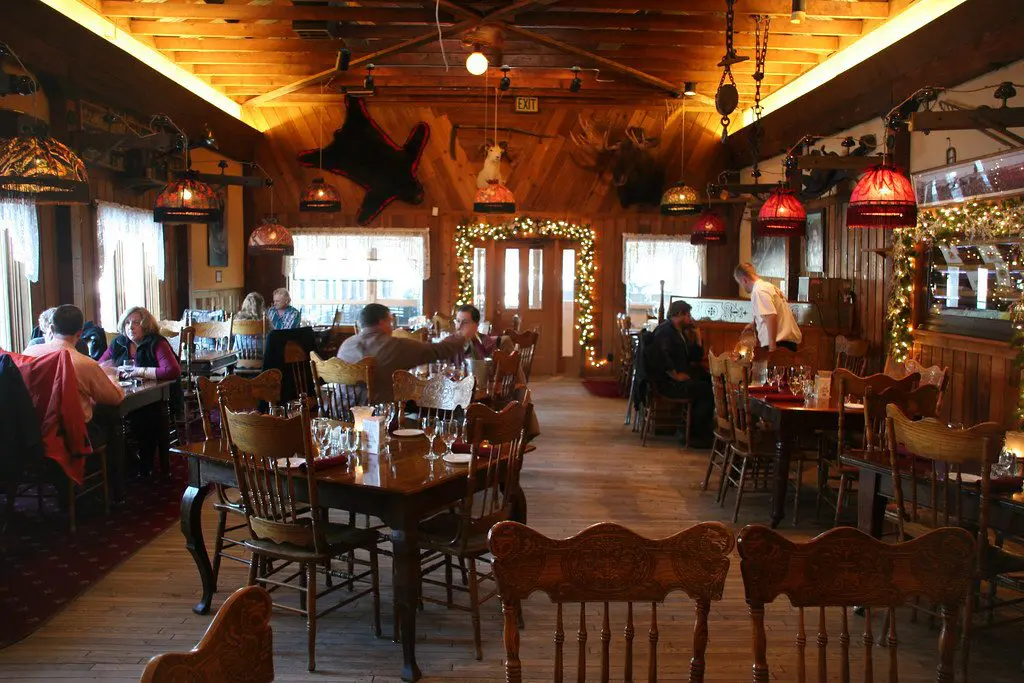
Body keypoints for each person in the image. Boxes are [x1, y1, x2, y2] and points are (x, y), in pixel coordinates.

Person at [21, 305, 128, 500]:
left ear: (51, 328)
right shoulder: (84, 363)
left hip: (31, 431)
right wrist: (111, 377)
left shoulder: (29, 352)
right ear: (80, 333)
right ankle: (114, 490)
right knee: (113, 421)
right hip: (72, 434)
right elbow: (115, 397)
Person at [99, 306, 181, 477]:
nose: (130, 327)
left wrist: (139, 371)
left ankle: (145, 463)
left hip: (157, 397)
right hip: (125, 394)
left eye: (136, 323)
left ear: (146, 325)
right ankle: (120, 464)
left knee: (145, 416)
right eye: (127, 323)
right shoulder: (119, 343)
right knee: (106, 416)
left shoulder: (157, 343)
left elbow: (172, 371)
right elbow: (100, 365)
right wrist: (114, 370)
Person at [337, 303, 475, 402]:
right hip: (379, 419)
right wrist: (463, 336)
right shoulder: (393, 346)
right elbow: (439, 351)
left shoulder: (346, 345)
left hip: (340, 417)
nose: (392, 327)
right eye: (390, 322)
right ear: (382, 322)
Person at [648, 300, 714, 449]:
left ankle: (695, 430)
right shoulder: (665, 331)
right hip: (669, 384)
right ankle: (693, 434)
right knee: (706, 391)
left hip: (677, 380)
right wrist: (675, 375)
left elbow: (693, 356)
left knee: (711, 382)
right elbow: (662, 357)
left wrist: (698, 337)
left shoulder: (678, 331)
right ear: (679, 314)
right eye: (688, 315)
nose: (690, 318)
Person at [733, 262, 802, 353]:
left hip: (779, 345)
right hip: (787, 344)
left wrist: (772, 347)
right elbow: (773, 313)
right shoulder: (769, 287)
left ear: (744, 280)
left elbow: (771, 316)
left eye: (740, 283)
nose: (743, 287)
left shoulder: (759, 291)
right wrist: (754, 324)